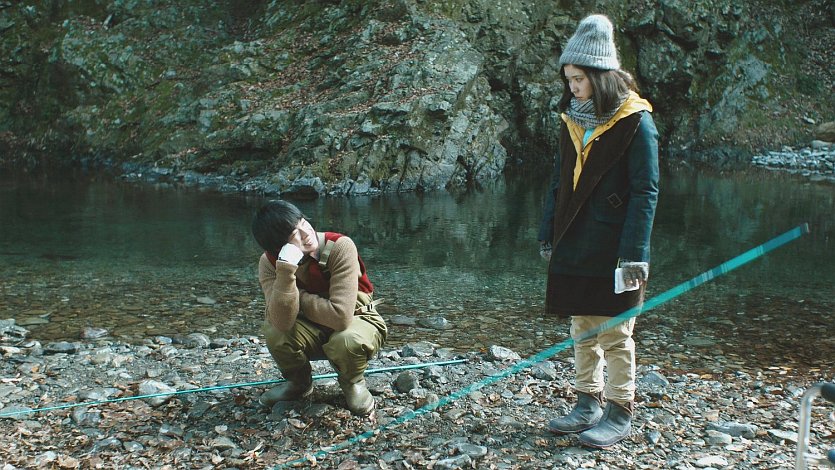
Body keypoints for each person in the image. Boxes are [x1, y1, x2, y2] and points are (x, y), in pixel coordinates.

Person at [538, 14, 659, 448]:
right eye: (568, 79)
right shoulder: (572, 118)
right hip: (574, 240)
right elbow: (558, 181)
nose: (572, 87)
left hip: (615, 247)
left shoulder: (636, 121)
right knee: (581, 325)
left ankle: (620, 409)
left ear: (600, 75)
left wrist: (635, 254)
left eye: (578, 79)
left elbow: (646, 191)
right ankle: (586, 403)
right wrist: (548, 233)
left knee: (615, 332)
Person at [251, 200, 387, 416]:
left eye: (303, 223)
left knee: (346, 339)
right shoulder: (269, 263)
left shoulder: (340, 246)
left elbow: (340, 317)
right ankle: (298, 383)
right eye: (295, 234)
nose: (307, 233)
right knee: (273, 330)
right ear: (279, 248)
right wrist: (285, 273)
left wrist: (296, 297)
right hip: (312, 326)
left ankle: (352, 382)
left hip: (359, 319)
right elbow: (281, 322)